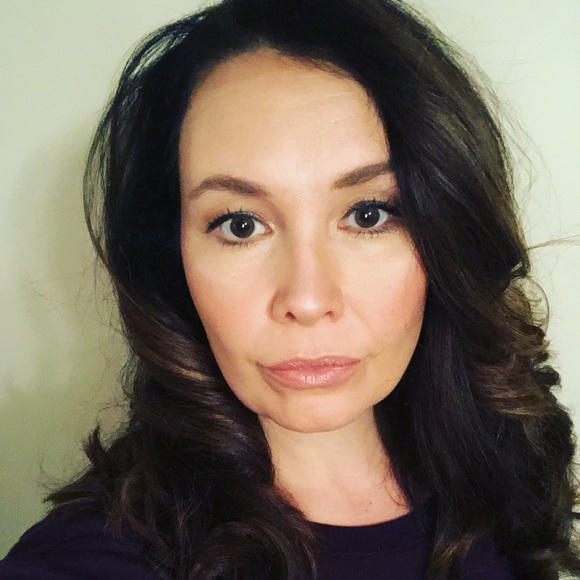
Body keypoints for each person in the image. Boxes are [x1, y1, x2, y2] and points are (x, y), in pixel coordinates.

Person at [1, 0, 578, 578]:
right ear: (171, 256)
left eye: (369, 214)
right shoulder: (92, 558)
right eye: (240, 225)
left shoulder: (504, 475)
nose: (306, 299)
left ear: (451, 233)